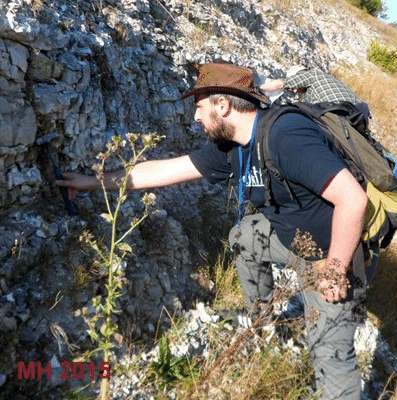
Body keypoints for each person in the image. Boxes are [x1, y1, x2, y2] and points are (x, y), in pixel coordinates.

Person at [56, 63, 369, 399]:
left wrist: (335, 271)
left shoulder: (286, 136)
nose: (195, 118)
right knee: (243, 236)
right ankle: (260, 320)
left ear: (223, 105)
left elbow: (353, 199)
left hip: (331, 251)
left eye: (199, 107)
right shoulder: (232, 147)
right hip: (289, 236)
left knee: (329, 353)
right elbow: (160, 171)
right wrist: (91, 183)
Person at [260, 65, 371, 126]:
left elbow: (280, 84)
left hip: (337, 113)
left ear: (299, 75)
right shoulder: (330, 81)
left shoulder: (312, 74)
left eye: (295, 86)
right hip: (358, 117)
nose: (294, 90)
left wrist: (258, 88)